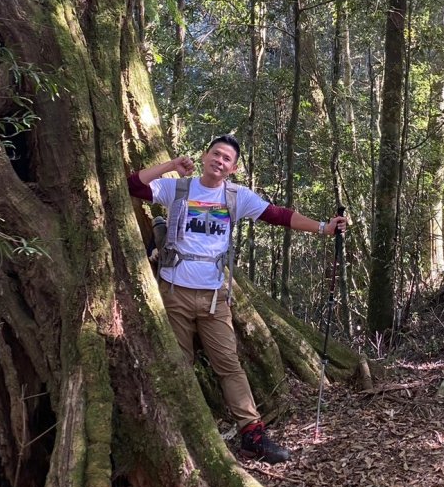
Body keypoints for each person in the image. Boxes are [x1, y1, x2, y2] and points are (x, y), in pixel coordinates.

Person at [128, 133, 346, 464]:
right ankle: (186, 435)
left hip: (216, 297)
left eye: (226, 159)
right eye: (215, 154)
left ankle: (252, 435)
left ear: (232, 168)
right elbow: (133, 185)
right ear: (204, 156)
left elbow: (278, 215)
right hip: (175, 292)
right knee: (179, 365)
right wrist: (172, 165)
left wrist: (323, 228)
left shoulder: (236, 196)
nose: (219, 161)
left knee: (229, 365)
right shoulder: (178, 188)